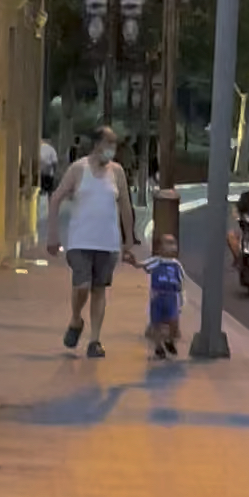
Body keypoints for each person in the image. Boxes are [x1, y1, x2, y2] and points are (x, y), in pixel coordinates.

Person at [46, 126, 137, 360]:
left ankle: (95, 340)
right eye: (109, 143)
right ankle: (76, 319)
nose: (112, 149)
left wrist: (129, 239)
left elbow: (125, 206)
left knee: (99, 289)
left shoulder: (117, 173)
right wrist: (53, 235)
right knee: (82, 286)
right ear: (97, 144)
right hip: (80, 241)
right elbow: (56, 198)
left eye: (115, 144)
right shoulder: (79, 169)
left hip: (107, 243)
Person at [145, 217, 186, 362]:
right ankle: (158, 347)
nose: (172, 247)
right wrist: (132, 261)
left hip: (171, 296)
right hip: (157, 296)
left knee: (173, 322)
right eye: (168, 243)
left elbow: (182, 283)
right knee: (156, 323)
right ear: (159, 248)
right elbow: (143, 266)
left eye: (173, 243)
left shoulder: (176, 265)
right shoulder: (155, 261)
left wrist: (181, 300)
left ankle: (169, 340)